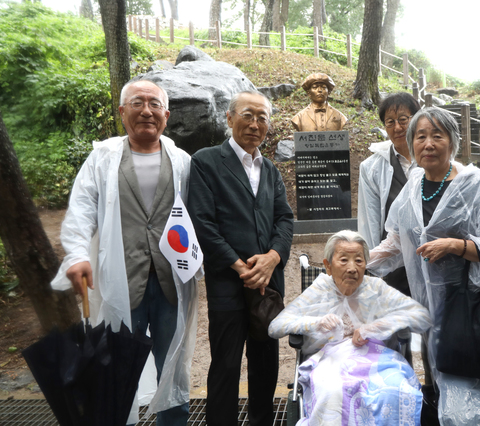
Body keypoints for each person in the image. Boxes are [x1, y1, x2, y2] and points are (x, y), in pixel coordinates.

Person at [367, 107, 480, 425]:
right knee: (449, 394)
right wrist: (356, 264)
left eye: (438, 135)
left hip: (468, 308)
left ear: (453, 142)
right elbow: (395, 242)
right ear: (412, 142)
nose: (428, 143)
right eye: (421, 136)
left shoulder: (476, 190)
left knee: (468, 400)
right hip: (432, 312)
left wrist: (457, 246)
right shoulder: (413, 187)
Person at [51, 80, 198, 426]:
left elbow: (199, 217)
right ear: (122, 112)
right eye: (137, 103)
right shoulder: (103, 157)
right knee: (116, 367)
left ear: (166, 114)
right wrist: (75, 255)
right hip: (120, 278)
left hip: (171, 283)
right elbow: (82, 208)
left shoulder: (182, 161)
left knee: (173, 365)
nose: (146, 110)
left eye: (154, 104)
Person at [187, 90, 294, 426]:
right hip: (228, 283)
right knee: (226, 364)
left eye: (262, 117)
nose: (255, 124)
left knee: (265, 362)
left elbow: (284, 220)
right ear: (230, 118)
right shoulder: (205, 162)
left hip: (267, 285)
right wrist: (240, 266)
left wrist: (273, 258)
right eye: (248, 115)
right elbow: (202, 223)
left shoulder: (271, 170)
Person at [268, 230, 432, 426]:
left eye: (359, 261)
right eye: (344, 260)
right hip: (330, 360)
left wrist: (376, 327)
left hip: (378, 360)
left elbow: (422, 317)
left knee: (395, 389)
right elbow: (275, 326)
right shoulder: (319, 290)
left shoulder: (376, 289)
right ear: (328, 266)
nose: (352, 268)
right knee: (333, 391)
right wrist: (314, 323)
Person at [358, 92, 421, 297]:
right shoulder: (372, 167)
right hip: (394, 260)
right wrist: (371, 267)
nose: (397, 128)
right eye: (390, 122)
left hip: (434, 255)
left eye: (403, 120)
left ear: (416, 119)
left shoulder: (433, 156)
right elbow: (370, 219)